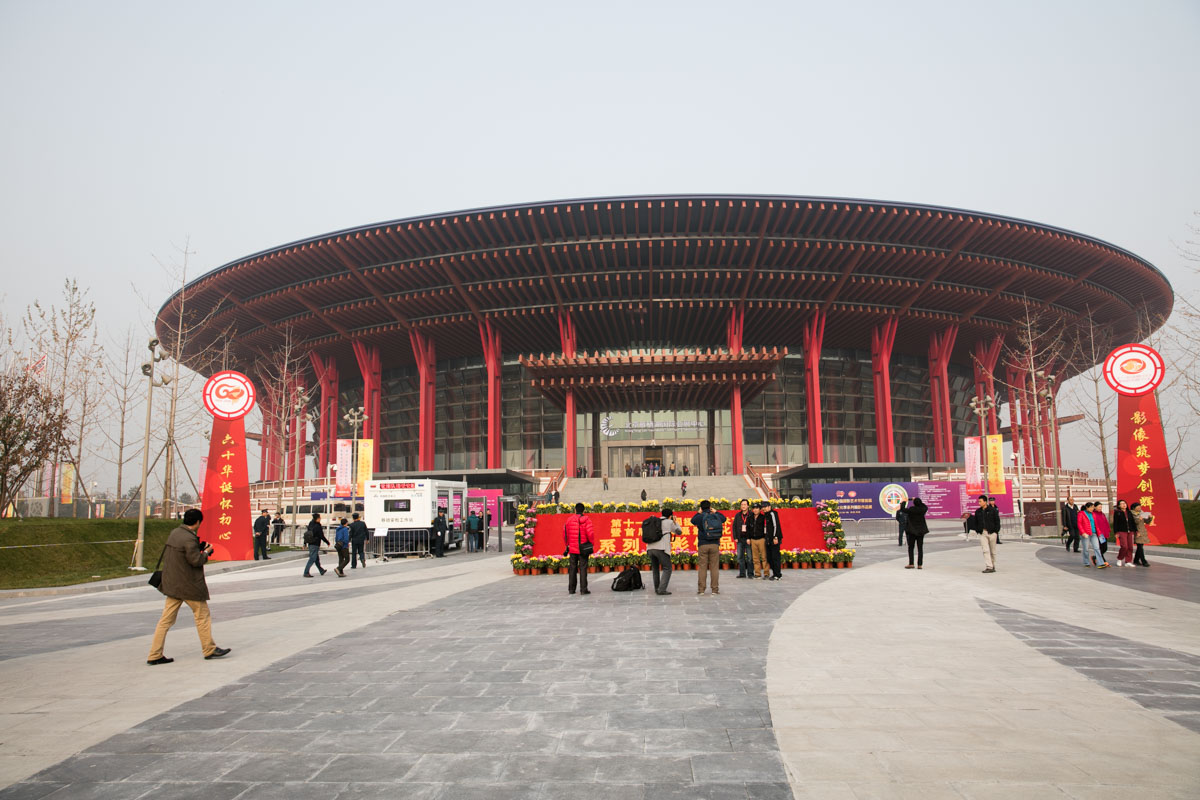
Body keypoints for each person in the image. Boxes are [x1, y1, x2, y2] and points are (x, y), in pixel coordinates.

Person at [147, 508, 230, 664]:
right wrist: (206, 552)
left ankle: (154, 654)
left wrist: (198, 549)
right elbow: (196, 561)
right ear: (198, 522)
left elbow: (183, 556)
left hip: (173, 585)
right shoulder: (189, 538)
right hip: (188, 586)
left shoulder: (175, 533)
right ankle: (209, 649)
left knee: (165, 621)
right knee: (202, 616)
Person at [690, 500, 725, 595]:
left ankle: (701, 589)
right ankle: (715, 589)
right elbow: (724, 519)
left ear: (701, 508)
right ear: (710, 507)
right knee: (714, 567)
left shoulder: (700, 516)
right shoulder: (715, 515)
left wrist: (698, 512)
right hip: (714, 543)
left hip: (703, 544)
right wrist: (716, 512)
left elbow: (692, 521)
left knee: (702, 567)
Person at [563, 502, 595, 595]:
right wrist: (591, 543)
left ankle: (571, 589)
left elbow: (565, 534)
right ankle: (583, 589)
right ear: (583, 510)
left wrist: (567, 545)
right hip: (583, 548)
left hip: (573, 548)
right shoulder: (587, 520)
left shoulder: (569, 520)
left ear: (575, 510)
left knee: (572, 568)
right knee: (583, 568)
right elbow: (590, 533)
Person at [647, 509, 679, 595]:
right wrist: (675, 522)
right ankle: (662, 589)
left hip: (650, 548)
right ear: (670, 516)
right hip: (661, 549)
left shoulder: (654, 521)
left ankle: (657, 588)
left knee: (655, 569)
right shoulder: (669, 522)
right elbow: (679, 531)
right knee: (667, 568)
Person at [1077, 502, 1108, 568]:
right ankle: (1086, 562)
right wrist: (1083, 532)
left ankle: (1100, 563)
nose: (1092, 509)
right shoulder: (1081, 514)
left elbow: (1096, 524)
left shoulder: (1093, 514)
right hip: (1086, 534)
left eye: (1093, 507)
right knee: (1086, 549)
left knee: (1097, 548)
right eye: (1091, 507)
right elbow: (1079, 524)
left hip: (1093, 533)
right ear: (1087, 507)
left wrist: (1099, 533)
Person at [732, 499, 754, 578]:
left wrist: (750, 537)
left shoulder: (751, 514)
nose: (743, 506)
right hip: (740, 539)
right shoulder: (738, 515)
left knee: (749, 557)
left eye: (745, 504)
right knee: (740, 557)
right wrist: (735, 537)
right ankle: (742, 573)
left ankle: (750, 573)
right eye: (742, 504)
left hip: (748, 539)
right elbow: (734, 526)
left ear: (748, 506)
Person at [905, 497, 929, 569]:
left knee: (911, 547)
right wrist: (917, 500)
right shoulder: (922, 510)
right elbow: (925, 506)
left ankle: (911, 563)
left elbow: (903, 509)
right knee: (920, 548)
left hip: (912, 531)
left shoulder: (911, 509)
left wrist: (903, 502)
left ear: (914, 503)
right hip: (921, 531)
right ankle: (920, 564)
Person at [761, 500, 783, 580]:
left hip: (774, 539)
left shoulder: (772, 514)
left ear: (769, 507)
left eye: (765, 507)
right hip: (768, 540)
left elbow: (775, 525)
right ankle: (774, 573)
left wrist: (775, 537)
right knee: (770, 558)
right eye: (763, 507)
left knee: (775, 557)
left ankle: (778, 575)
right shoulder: (765, 515)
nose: (764, 508)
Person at [1112, 499, 1135, 567]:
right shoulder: (1117, 513)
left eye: (1124, 503)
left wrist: (1135, 530)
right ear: (1119, 506)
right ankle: (1120, 558)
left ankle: (1128, 561)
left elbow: (1132, 522)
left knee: (1130, 547)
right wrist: (1116, 532)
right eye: (1122, 504)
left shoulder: (1129, 512)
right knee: (1124, 546)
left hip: (1130, 531)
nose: (1124, 505)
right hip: (1122, 531)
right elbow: (1115, 523)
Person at [748, 503, 768, 579]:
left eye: (757, 508)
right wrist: (748, 538)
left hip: (761, 539)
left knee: (764, 557)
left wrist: (766, 538)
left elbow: (766, 528)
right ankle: (757, 573)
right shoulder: (750, 518)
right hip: (753, 540)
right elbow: (748, 529)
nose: (755, 510)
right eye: (754, 508)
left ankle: (766, 573)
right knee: (755, 558)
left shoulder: (763, 517)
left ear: (760, 510)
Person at [1129, 501, 1152, 567]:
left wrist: (1150, 517)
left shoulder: (1142, 513)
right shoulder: (1131, 514)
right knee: (1140, 546)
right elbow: (1133, 522)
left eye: (1140, 506)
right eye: (1138, 507)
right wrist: (1139, 519)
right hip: (1136, 531)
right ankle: (1144, 561)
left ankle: (1136, 560)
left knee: (1140, 546)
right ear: (1134, 508)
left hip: (1142, 531)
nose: (1139, 508)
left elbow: (1147, 522)